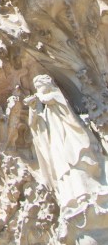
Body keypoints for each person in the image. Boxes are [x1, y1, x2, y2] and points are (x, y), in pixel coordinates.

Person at [26, 74, 104, 211]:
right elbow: (33, 124)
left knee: (76, 163)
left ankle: (89, 191)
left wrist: (38, 98)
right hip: (57, 144)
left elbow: (53, 100)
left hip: (69, 137)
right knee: (64, 170)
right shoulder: (44, 108)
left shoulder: (56, 96)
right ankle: (73, 199)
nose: (39, 89)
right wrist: (33, 108)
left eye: (40, 86)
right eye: (37, 87)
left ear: (48, 84)